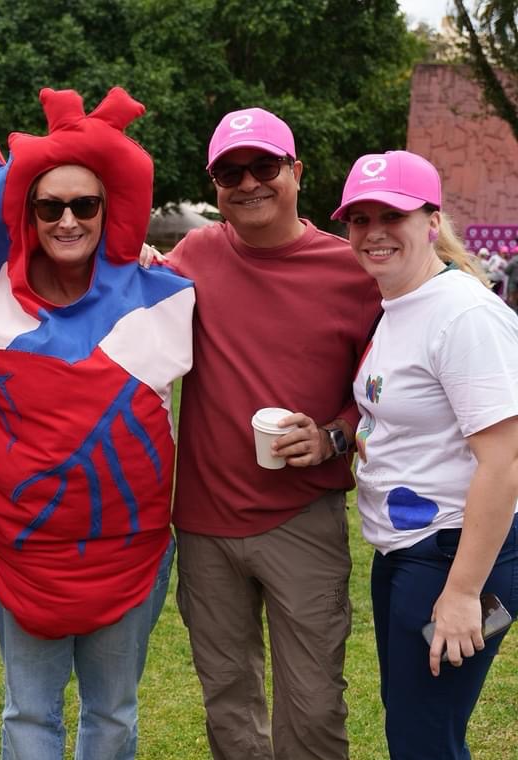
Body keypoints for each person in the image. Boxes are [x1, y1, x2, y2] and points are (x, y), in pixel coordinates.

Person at [0, 87, 194, 759]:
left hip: (131, 554)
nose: (67, 220)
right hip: (27, 553)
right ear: (27, 212)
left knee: (112, 718)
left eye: (84, 205)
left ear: (108, 209)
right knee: (28, 719)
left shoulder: (167, 299)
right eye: (49, 205)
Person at [162, 107, 381, 760]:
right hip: (204, 523)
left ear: (296, 172)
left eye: (264, 166)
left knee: (313, 709)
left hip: (302, 520)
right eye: (230, 172)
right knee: (229, 702)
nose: (247, 182)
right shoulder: (194, 254)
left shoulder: (352, 272)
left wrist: (333, 437)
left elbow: (392, 389)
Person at [332, 149, 518, 759]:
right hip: (407, 552)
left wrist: (464, 593)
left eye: (393, 214)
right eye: (360, 218)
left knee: (423, 740)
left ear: (431, 221)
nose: (374, 232)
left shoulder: (463, 314)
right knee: (414, 728)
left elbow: (505, 461)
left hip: (453, 552)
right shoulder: (399, 304)